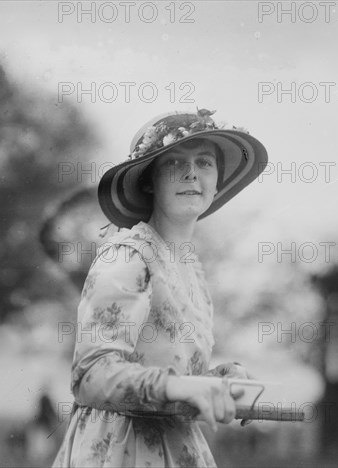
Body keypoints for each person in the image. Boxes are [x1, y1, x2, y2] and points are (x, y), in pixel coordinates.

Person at [52, 109, 268, 467]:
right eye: (175, 163)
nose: (191, 173)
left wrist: (218, 380)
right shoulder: (127, 256)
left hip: (175, 447)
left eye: (204, 163)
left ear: (217, 181)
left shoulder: (189, 270)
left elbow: (172, 377)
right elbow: (90, 376)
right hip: (120, 451)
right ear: (150, 180)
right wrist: (182, 387)